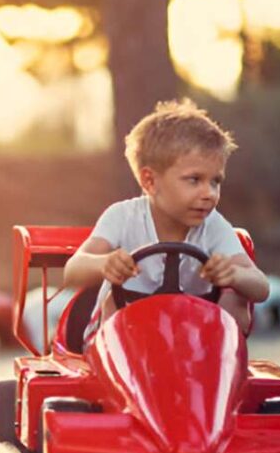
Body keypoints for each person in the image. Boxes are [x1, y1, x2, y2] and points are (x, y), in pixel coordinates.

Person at [63, 99, 269, 337]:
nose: (209, 194)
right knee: (110, 298)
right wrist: (104, 263)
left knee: (236, 298)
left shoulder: (213, 225)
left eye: (215, 181)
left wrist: (234, 275)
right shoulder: (121, 217)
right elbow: (72, 271)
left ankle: (222, 364)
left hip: (190, 343)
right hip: (125, 342)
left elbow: (261, 287)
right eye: (194, 180)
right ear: (149, 181)